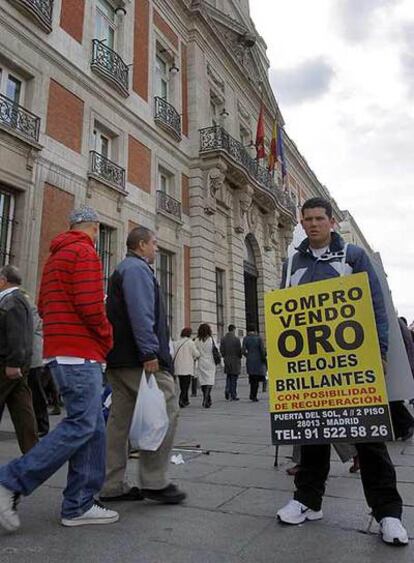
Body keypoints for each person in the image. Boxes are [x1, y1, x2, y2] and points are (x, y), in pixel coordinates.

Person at [276, 197, 408, 546]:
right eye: (308, 219)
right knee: (311, 435)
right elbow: (283, 312)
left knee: (369, 438)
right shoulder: (291, 263)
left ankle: (388, 513)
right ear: (301, 223)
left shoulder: (354, 257)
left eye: (320, 218)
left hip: (354, 365)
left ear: (331, 222)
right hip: (308, 369)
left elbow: (375, 306)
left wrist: (378, 355)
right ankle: (307, 500)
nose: (314, 224)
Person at [0, 206, 118, 532]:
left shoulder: (55, 258)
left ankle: (79, 504)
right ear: (93, 228)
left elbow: (44, 304)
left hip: (61, 351)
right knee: (81, 424)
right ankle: (10, 480)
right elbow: (91, 305)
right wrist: (108, 337)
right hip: (81, 353)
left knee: (92, 426)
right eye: (98, 230)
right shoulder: (84, 253)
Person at [100, 226, 186, 504]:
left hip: (119, 358)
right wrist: (150, 352)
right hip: (140, 359)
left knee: (119, 422)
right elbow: (141, 312)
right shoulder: (136, 269)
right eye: (154, 243)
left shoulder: (124, 269)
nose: (157, 248)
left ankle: (111, 484)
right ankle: (154, 481)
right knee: (166, 409)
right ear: (140, 245)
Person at [0, 265, 38, 454]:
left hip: (7, 363)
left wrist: (13, 363)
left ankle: (33, 453)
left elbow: (16, 334)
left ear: (3, 280)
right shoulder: (16, 300)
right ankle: (33, 454)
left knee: (22, 406)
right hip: (16, 363)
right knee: (22, 408)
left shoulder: (12, 301)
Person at [389, 317, 414, 441]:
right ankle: (401, 428)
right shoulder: (397, 323)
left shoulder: (394, 323)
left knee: (391, 399)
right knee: (392, 399)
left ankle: (406, 424)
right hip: (401, 364)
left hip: (396, 365)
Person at [173, 328, 200, 408]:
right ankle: (181, 399)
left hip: (178, 367)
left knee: (182, 384)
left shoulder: (176, 343)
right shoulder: (190, 343)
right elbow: (196, 354)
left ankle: (186, 400)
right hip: (187, 367)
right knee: (186, 385)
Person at [242, 325, 267, 401]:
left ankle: (252, 394)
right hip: (258, 361)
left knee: (252, 379)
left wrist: (248, 356)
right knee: (257, 379)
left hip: (250, 361)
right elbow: (262, 350)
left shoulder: (245, 339)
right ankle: (254, 396)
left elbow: (243, 350)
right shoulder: (259, 338)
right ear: (255, 331)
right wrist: (264, 357)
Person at [195, 323, 217, 408]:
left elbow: (196, 352)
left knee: (203, 381)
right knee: (210, 381)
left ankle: (207, 398)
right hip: (210, 362)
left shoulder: (197, 340)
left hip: (201, 361)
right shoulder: (211, 339)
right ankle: (206, 398)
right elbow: (215, 350)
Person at [220, 324, 242, 401]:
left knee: (228, 376)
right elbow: (239, 351)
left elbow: (221, 351)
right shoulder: (236, 339)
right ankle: (233, 394)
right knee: (234, 378)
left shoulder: (223, 339)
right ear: (233, 330)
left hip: (226, 360)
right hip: (235, 361)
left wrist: (225, 356)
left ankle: (227, 389)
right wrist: (239, 357)